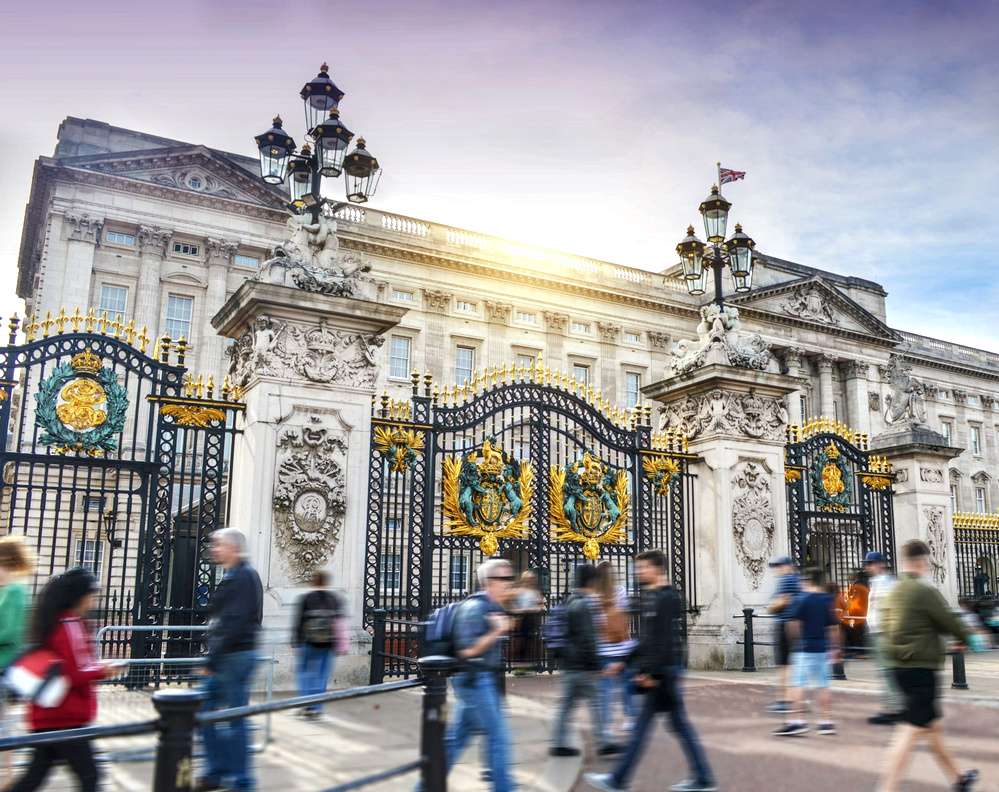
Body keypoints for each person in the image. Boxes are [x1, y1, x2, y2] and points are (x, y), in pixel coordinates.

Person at [585, 549, 717, 792]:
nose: (639, 572)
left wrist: (652, 674)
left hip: (663, 673)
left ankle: (619, 780)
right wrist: (623, 662)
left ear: (657, 569)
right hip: (663, 671)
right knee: (674, 726)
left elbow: (664, 641)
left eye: (643, 567)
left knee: (647, 729)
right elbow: (646, 639)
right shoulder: (653, 595)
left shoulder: (666, 598)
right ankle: (702, 777)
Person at [7, 568, 121, 792]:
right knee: (90, 777)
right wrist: (103, 671)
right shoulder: (69, 624)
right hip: (65, 717)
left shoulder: (62, 621)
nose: (94, 600)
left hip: (52, 714)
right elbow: (74, 673)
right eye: (92, 595)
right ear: (81, 596)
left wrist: (98, 668)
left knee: (33, 779)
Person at [877, 540, 978, 792]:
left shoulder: (893, 591)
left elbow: (885, 628)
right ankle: (887, 788)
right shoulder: (924, 591)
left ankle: (958, 779)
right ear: (922, 562)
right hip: (921, 669)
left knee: (932, 726)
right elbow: (949, 622)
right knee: (909, 730)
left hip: (898, 667)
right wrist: (971, 638)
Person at [429, 558, 516, 792]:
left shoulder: (492, 607)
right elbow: (467, 651)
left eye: (511, 578)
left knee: (456, 741)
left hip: (480, 681)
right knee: (499, 738)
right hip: (475, 682)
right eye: (504, 578)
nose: (509, 583)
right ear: (489, 581)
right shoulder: (474, 608)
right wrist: (496, 631)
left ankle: (426, 786)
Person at [196, 528, 264, 792]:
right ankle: (220, 771)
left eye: (219, 544)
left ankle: (237, 779)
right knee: (213, 712)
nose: (214, 549)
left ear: (234, 548)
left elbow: (234, 622)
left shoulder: (243, 577)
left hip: (233, 657)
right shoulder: (237, 575)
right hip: (232, 655)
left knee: (231, 717)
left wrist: (211, 661)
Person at [550, 564, 622, 758]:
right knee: (596, 703)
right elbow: (588, 638)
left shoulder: (571, 601)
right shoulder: (584, 605)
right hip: (583, 666)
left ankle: (558, 742)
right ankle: (603, 742)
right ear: (592, 582)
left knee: (567, 706)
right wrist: (598, 664)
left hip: (571, 664)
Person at [773, 567, 840, 736]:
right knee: (823, 686)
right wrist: (835, 648)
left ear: (808, 580)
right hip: (822, 649)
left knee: (797, 685)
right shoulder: (827, 599)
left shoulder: (801, 599)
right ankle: (825, 722)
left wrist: (795, 642)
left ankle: (796, 721)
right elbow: (833, 628)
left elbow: (792, 624)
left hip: (804, 648)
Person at [0, 536, 34, 782]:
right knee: (2, 723)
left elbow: (10, 632)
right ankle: (7, 774)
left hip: (3, 664)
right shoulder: (8, 589)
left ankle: (8, 774)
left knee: (2, 724)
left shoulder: (14, 590)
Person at [292, 569, 344, 718]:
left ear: (313, 582)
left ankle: (306, 704)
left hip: (308, 642)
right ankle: (317, 708)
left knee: (304, 673)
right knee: (322, 676)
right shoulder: (334, 599)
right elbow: (339, 624)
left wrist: (295, 641)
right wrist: (339, 644)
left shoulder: (306, 598)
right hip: (328, 644)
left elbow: (299, 621)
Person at [595, 561, 637, 734]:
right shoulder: (620, 591)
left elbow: (594, 624)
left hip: (603, 649)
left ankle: (606, 725)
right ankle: (630, 718)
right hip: (622, 647)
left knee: (605, 690)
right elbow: (625, 620)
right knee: (627, 685)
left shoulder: (594, 596)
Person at [865, 551, 903, 725]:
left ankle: (894, 709)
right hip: (878, 632)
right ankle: (894, 707)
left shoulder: (888, 583)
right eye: (867, 564)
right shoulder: (876, 582)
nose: (868, 567)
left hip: (884, 633)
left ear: (881, 564)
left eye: (871, 563)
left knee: (888, 671)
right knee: (886, 671)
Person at [765, 555, 801, 713]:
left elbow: (780, 602)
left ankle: (785, 699)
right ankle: (794, 698)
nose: (777, 569)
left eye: (779, 566)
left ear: (788, 566)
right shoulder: (797, 579)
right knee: (791, 663)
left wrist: (771, 606)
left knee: (783, 664)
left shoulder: (786, 580)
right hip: (794, 624)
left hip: (784, 624)